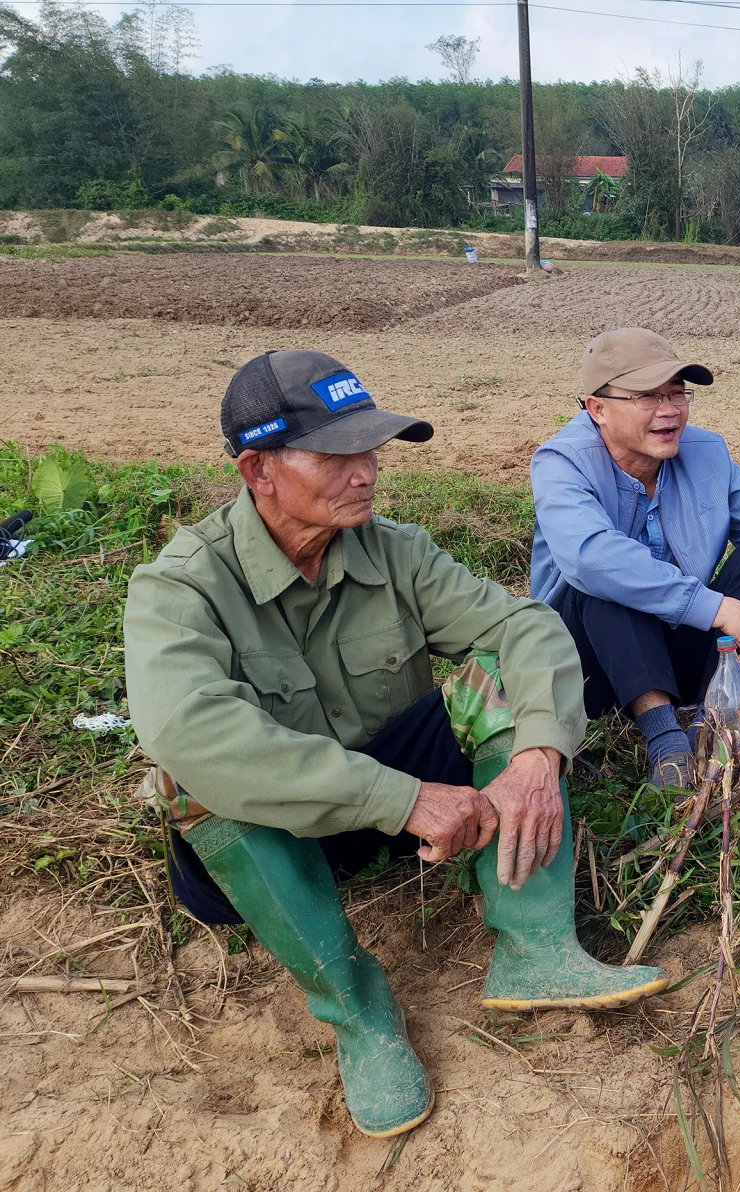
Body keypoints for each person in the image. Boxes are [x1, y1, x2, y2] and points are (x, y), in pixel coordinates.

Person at [124, 351, 664, 1141]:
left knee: (502, 676)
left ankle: (537, 947)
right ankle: (358, 1012)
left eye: (371, 450)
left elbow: (523, 626)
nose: (366, 473)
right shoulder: (180, 587)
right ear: (258, 470)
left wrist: (536, 760)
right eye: (336, 455)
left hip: (404, 812)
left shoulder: (393, 549)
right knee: (190, 772)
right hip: (282, 837)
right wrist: (403, 799)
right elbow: (190, 729)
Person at [530, 328, 740, 790]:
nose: (669, 410)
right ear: (597, 408)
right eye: (647, 396)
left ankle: (716, 721)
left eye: (676, 393)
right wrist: (718, 607)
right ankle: (665, 738)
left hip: (680, 648)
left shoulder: (706, 453)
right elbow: (590, 557)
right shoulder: (561, 461)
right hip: (593, 662)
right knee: (604, 575)